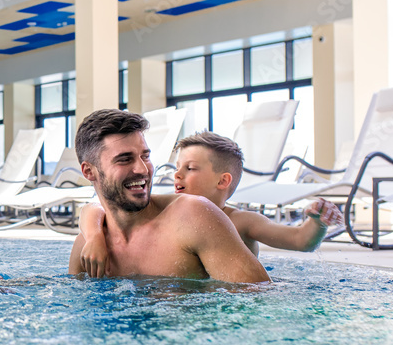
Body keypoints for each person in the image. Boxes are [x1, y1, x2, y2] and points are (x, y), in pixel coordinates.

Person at [76, 131, 345, 276]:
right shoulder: (171, 214)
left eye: (190, 168)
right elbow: (96, 207)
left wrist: (317, 223)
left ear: (222, 180)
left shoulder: (240, 220)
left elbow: (300, 241)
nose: (177, 175)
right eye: (177, 167)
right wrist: (95, 235)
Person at [67, 109, 270, 283]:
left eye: (145, 156)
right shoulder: (87, 249)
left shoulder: (193, 217)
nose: (142, 169)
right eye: (124, 159)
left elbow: (257, 300)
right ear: (88, 172)